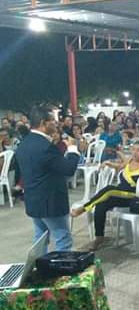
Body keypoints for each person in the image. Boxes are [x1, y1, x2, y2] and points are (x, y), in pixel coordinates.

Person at [70, 140, 139, 251]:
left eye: (138, 151)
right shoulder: (130, 160)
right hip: (120, 193)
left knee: (109, 189)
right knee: (101, 205)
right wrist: (108, 163)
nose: (135, 153)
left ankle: (83, 208)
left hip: (133, 196)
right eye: (133, 149)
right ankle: (99, 237)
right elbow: (120, 166)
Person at [15, 106, 80, 255]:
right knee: (63, 238)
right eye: (52, 121)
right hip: (50, 201)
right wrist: (72, 149)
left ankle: (39, 266)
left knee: (40, 239)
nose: (56, 123)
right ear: (43, 123)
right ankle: (61, 268)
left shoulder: (24, 143)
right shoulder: (46, 147)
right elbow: (68, 169)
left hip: (33, 199)